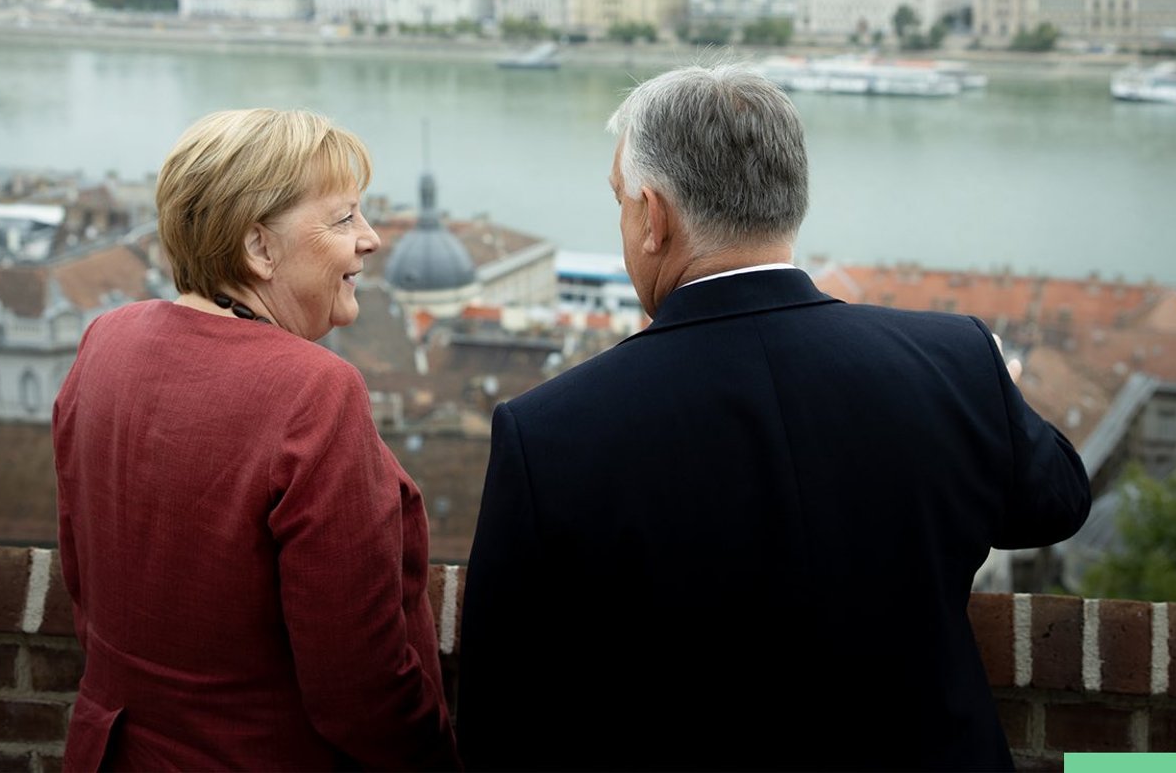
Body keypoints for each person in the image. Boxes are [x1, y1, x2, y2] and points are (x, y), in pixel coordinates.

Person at [459, 66, 1091, 772]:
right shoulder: (953, 359)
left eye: (621, 202)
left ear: (654, 217)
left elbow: (499, 717)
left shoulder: (549, 434)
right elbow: (1058, 502)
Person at [53, 108, 457, 771]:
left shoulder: (106, 340)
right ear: (258, 247)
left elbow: (84, 586)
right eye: (343, 218)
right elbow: (359, 685)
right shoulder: (313, 390)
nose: (372, 239)